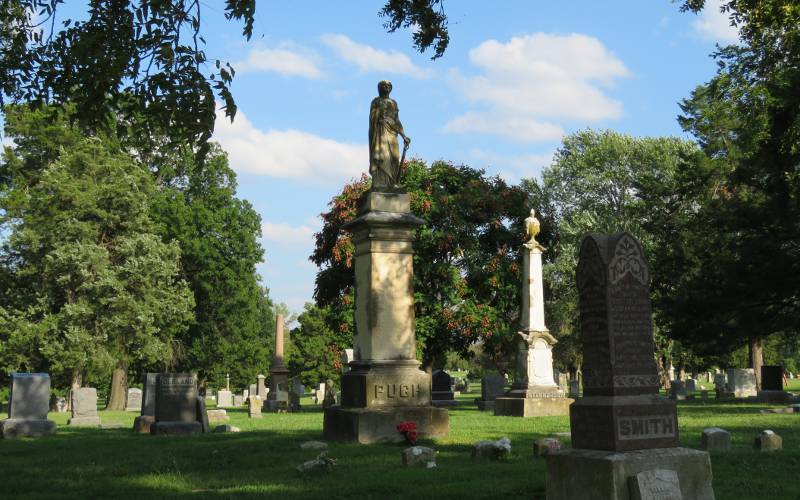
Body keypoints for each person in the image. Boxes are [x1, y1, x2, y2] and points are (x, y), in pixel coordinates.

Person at [369, 80, 410, 189]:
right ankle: (380, 183)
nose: (386, 87)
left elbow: (397, 120)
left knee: (394, 157)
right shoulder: (376, 101)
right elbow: (372, 117)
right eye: (384, 85)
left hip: (392, 133)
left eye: (389, 86)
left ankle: (392, 183)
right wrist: (379, 117)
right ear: (379, 88)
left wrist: (404, 136)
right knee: (382, 156)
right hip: (381, 132)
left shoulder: (393, 103)